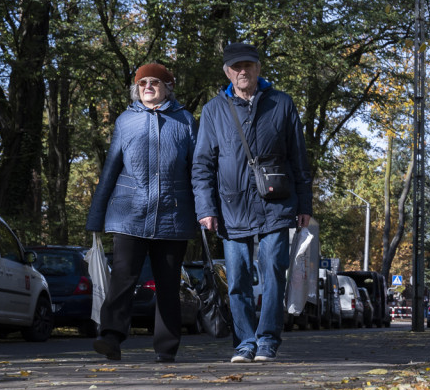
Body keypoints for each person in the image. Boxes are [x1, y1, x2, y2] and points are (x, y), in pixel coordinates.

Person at [192, 42, 313, 363]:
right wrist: (205, 208)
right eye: (236, 67)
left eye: (248, 65)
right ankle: (244, 342)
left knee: (274, 271)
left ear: (258, 68)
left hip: (277, 203)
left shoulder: (281, 104)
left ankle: (268, 340)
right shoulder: (213, 110)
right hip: (231, 208)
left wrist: (305, 205)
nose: (242, 71)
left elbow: (299, 159)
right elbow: (202, 163)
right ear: (227, 72)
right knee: (237, 278)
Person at [86, 63, 198, 363]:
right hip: (128, 214)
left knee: (168, 285)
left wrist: (206, 211)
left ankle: (166, 348)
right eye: (143, 83)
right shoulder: (125, 122)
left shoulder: (185, 121)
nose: (148, 86)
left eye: (155, 82)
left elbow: (198, 172)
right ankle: (111, 337)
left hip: (173, 217)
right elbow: (110, 169)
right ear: (136, 89)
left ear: (168, 87)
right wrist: (96, 217)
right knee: (122, 278)